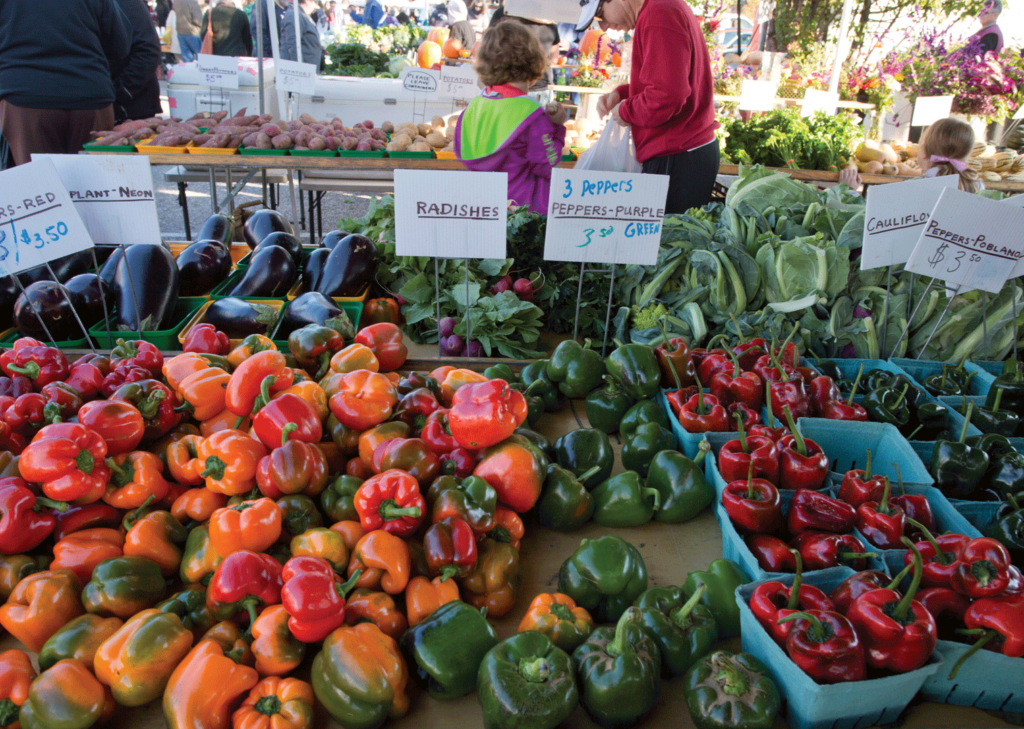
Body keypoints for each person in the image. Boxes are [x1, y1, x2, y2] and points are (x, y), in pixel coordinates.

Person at [579, 0, 720, 214]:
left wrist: (627, 111)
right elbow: (668, 81)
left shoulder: (658, 14)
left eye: (600, 15)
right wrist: (623, 94)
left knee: (668, 233)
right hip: (683, 151)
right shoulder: (658, 10)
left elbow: (668, 94)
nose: (604, 26)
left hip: (679, 154)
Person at [0, 0, 130, 165]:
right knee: (93, 177)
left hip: (26, 96)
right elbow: (120, 44)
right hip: (89, 92)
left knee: (40, 178)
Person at [455, 21, 566, 213]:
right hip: (523, 212)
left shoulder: (473, 106)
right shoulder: (530, 112)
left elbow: (462, 152)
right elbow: (548, 164)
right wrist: (557, 127)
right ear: (532, 60)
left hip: (482, 207)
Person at [839, 118, 981, 193]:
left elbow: (870, 224)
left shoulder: (913, 189)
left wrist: (848, 191)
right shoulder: (977, 187)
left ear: (924, 153)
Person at [489, 8, 559, 101]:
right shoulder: (548, 18)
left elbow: (489, 48)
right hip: (540, 87)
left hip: (504, 88)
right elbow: (554, 58)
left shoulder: (503, 13)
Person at [112, 0, 163, 123]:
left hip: (133, 105)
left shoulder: (128, 4)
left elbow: (148, 50)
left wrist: (120, 91)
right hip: (110, 102)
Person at [281, 0, 324, 67]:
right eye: (315, 2)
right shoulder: (294, 15)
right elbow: (293, 47)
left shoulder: (302, 14)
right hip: (301, 70)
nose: (316, 6)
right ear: (307, 1)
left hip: (308, 68)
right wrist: (300, 70)